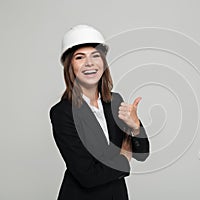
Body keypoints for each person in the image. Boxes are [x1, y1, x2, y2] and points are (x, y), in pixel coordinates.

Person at [49, 25, 150, 200]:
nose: (90, 63)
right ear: (69, 66)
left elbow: (142, 154)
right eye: (80, 57)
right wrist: (124, 158)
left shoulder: (115, 101)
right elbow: (87, 176)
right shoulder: (62, 113)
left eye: (96, 56)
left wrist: (136, 127)